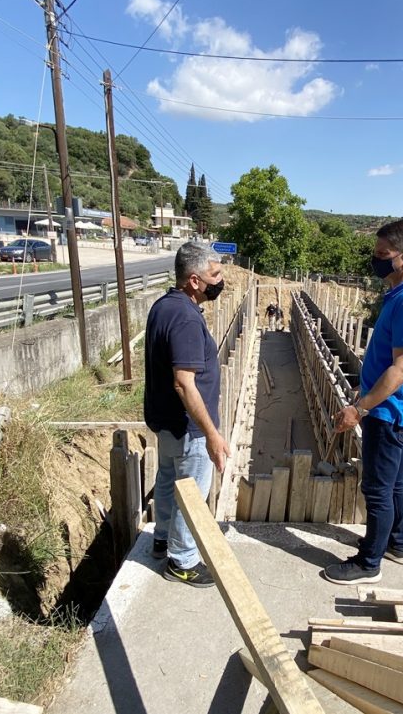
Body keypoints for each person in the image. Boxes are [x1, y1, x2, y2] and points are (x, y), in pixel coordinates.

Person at [324, 219, 403, 585]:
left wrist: (360, 408)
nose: (375, 261)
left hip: (391, 411)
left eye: (382, 255)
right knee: (395, 484)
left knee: (376, 488)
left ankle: (369, 563)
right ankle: (396, 544)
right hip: (397, 409)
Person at [144, 241, 230, 588]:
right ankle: (182, 561)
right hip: (189, 426)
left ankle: (162, 539)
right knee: (191, 492)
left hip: (167, 422)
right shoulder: (184, 318)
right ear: (195, 281)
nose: (220, 280)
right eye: (215, 274)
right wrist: (210, 432)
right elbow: (184, 383)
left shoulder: (165, 306)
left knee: (167, 481)